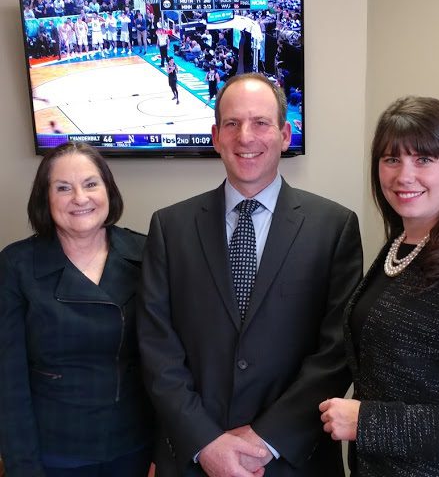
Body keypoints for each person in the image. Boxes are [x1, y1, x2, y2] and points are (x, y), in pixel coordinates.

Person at [137, 72, 363, 477]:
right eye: (232, 123)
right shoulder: (170, 228)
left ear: (285, 135)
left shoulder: (334, 227)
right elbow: (157, 347)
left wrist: (266, 438)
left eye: (260, 123)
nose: (245, 137)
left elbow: (335, 352)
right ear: (215, 137)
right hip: (193, 458)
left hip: (292, 459)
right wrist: (205, 442)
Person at [319, 96, 439, 477]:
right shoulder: (399, 246)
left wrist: (369, 422)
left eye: (423, 159)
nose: (404, 176)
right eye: (392, 159)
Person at [0, 142, 155, 477]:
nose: (80, 198)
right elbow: (8, 380)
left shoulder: (147, 253)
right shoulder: (16, 265)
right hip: (55, 451)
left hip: (133, 446)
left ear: (108, 191)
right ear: (45, 199)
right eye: (63, 188)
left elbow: (169, 360)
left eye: (90, 184)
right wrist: (22, 465)